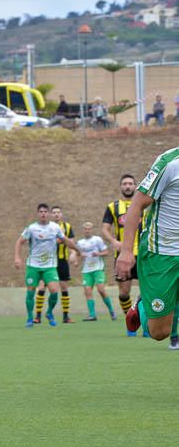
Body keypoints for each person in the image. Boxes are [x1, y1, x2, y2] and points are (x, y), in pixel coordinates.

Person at [118, 147, 179, 349]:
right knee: (159, 332)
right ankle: (144, 302)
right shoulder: (169, 162)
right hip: (161, 253)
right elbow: (136, 205)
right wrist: (126, 252)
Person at [14, 203, 81, 328]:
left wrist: (77, 250)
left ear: (48, 214)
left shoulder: (55, 227)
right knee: (30, 292)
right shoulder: (31, 228)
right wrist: (17, 257)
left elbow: (66, 240)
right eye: (41, 211)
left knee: (54, 291)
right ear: (38, 214)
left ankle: (49, 313)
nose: (43, 213)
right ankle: (29, 317)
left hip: (49, 266)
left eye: (45, 211)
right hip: (33, 266)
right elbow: (19, 242)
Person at [101, 174, 144, 336]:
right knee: (124, 293)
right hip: (123, 256)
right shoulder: (113, 207)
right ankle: (130, 321)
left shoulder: (144, 205)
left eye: (130, 184)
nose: (127, 186)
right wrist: (113, 241)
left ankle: (144, 320)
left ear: (135, 186)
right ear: (120, 187)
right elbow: (105, 228)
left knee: (145, 292)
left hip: (143, 255)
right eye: (125, 184)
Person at [34, 206, 76, 324]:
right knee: (42, 286)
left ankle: (66, 316)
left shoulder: (67, 227)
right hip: (48, 261)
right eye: (54, 213)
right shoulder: (47, 227)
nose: (56, 214)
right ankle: (37, 316)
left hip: (62, 261)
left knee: (64, 287)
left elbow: (71, 242)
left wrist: (73, 253)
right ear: (51, 215)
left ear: (61, 214)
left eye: (58, 212)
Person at [76, 222, 115, 321]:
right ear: (83, 230)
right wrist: (77, 259)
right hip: (86, 271)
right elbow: (77, 254)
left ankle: (111, 311)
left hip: (98, 269)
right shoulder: (80, 242)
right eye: (85, 229)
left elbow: (106, 252)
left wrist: (98, 253)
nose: (87, 230)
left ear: (92, 230)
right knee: (87, 292)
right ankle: (92, 315)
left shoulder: (97, 240)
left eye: (89, 229)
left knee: (101, 290)